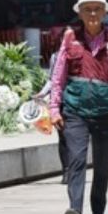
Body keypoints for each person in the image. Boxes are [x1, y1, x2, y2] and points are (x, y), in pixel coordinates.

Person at [49, 0, 108, 214]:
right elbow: (58, 77)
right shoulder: (70, 41)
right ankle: (75, 210)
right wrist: (55, 109)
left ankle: (98, 211)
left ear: (105, 13)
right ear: (80, 14)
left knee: (102, 163)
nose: (93, 13)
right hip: (75, 111)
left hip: (106, 113)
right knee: (75, 160)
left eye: (97, 9)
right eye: (88, 9)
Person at [35, 50, 69, 183]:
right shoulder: (55, 56)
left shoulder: (82, 53)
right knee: (63, 137)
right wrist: (42, 93)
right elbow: (52, 79)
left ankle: (75, 169)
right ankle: (66, 171)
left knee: (74, 137)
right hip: (60, 101)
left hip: (77, 101)